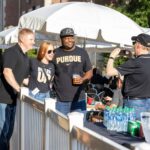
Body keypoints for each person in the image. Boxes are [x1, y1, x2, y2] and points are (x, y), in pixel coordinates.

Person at [0, 28, 35, 150]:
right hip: (2, 99)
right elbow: (7, 72)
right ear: (22, 39)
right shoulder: (11, 52)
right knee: (2, 134)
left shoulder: (25, 57)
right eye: (31, 39)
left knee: (8, 133)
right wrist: (18, 89)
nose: (33, 42)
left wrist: (39, 86)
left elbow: (24, 79)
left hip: (12, 99)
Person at [106, 33, 150, 120]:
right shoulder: (137, 62)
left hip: (135, 103)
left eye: (134, 43)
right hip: (148, 102)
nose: (133, 45)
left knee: (133, 131)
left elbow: (109, 72)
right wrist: (131, 57)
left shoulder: (135, 63)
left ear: (138, 45)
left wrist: (112, 56)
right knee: (145, 131)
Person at [53, 27, 93, 115]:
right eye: (66, 38)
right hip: (61, 100)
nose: (70, 40)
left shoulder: (82, 52)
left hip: (79, 99)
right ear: (61, 39)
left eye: (71, 37)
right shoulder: (55, 53)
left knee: (78, 127)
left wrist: (83, 79)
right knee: (60, 128)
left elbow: (89, 72)